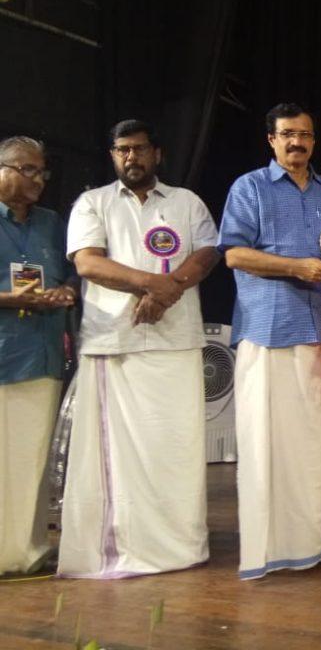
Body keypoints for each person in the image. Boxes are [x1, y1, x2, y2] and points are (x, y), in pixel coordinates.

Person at [59, 120, 219, 578]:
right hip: (116, 341)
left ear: (157, 153)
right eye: (122, 150)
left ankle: (181, 548)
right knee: (120, 461)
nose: (131, 157)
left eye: (139, 148)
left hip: (176, 340)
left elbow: (207, 253)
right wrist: (154, 285)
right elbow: (88, 263)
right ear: (113, 156)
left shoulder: (186, 202)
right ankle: (120, 548)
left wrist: (169, 290)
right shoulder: (93, 202)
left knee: (176, 451)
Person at [218, 103, 321, 579]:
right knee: (267, 444)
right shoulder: (249, 187)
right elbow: (234, 255)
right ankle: (268, 548)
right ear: (271, 140)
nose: (298, 143)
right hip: (269, 330)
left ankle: (319, 540)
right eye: (288, 134)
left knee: (319, 444)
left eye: (306, 135)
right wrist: (297, 267)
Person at [0, 136, 76, 577]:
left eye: (41, 171)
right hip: (4, 348)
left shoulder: (51, 222)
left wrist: (66, 291)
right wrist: (12, 299)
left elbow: (72, 272)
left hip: (41, 353)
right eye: (26, 170)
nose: (38, 180)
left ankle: (27, 551)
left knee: (31, 459)